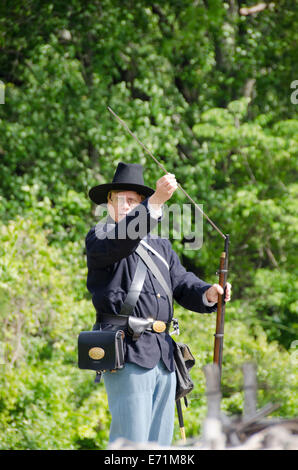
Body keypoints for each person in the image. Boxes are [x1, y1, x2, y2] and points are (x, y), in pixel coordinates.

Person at [85, 162, 231, 446]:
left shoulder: (160, 246)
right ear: (109, 204)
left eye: (133, 200)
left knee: (160, 446)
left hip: (164, 355)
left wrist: (209, 293)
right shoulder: (101, 236)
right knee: (132, 446)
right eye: (120, 199)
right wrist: (154, 204)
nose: (126, 205)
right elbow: (123, 241)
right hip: (126, 351)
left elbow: (181, 282)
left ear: (139, 203)